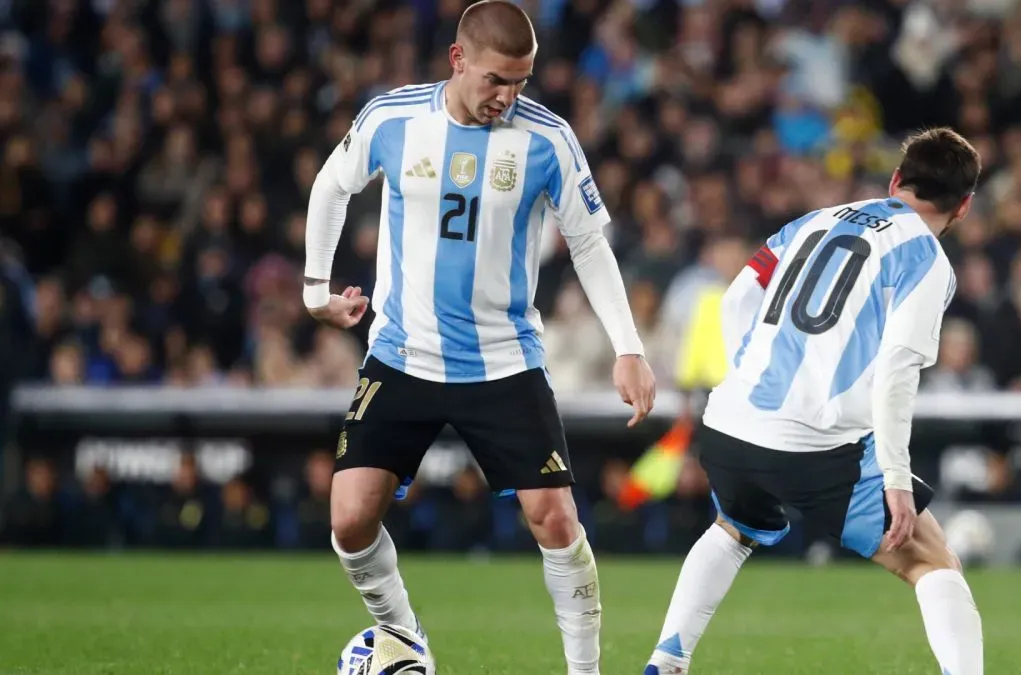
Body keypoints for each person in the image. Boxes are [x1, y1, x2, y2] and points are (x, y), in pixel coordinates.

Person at [301, 2, 656, 673]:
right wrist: (314, 288)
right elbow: (331, 185)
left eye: (521, 82)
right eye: (497, 80)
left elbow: (587, 241)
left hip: (503, 362)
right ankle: (404, 636)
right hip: (403, 354)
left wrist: (628, 346)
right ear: (457, 60)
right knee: (349, 521)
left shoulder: (547, 139)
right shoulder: (393, 119)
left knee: (554, 517)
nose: (509, 96)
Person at [643, 128, 985, 675]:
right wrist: (896, 477)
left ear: (896, 180)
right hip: (815, 443)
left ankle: (668, 659)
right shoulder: (927, 259)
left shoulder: (818, 218)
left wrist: (752, 382)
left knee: (732, 529)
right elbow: (898, 368)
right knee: (929, 557)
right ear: (963, 207)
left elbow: (737, 298)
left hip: (731, 422)